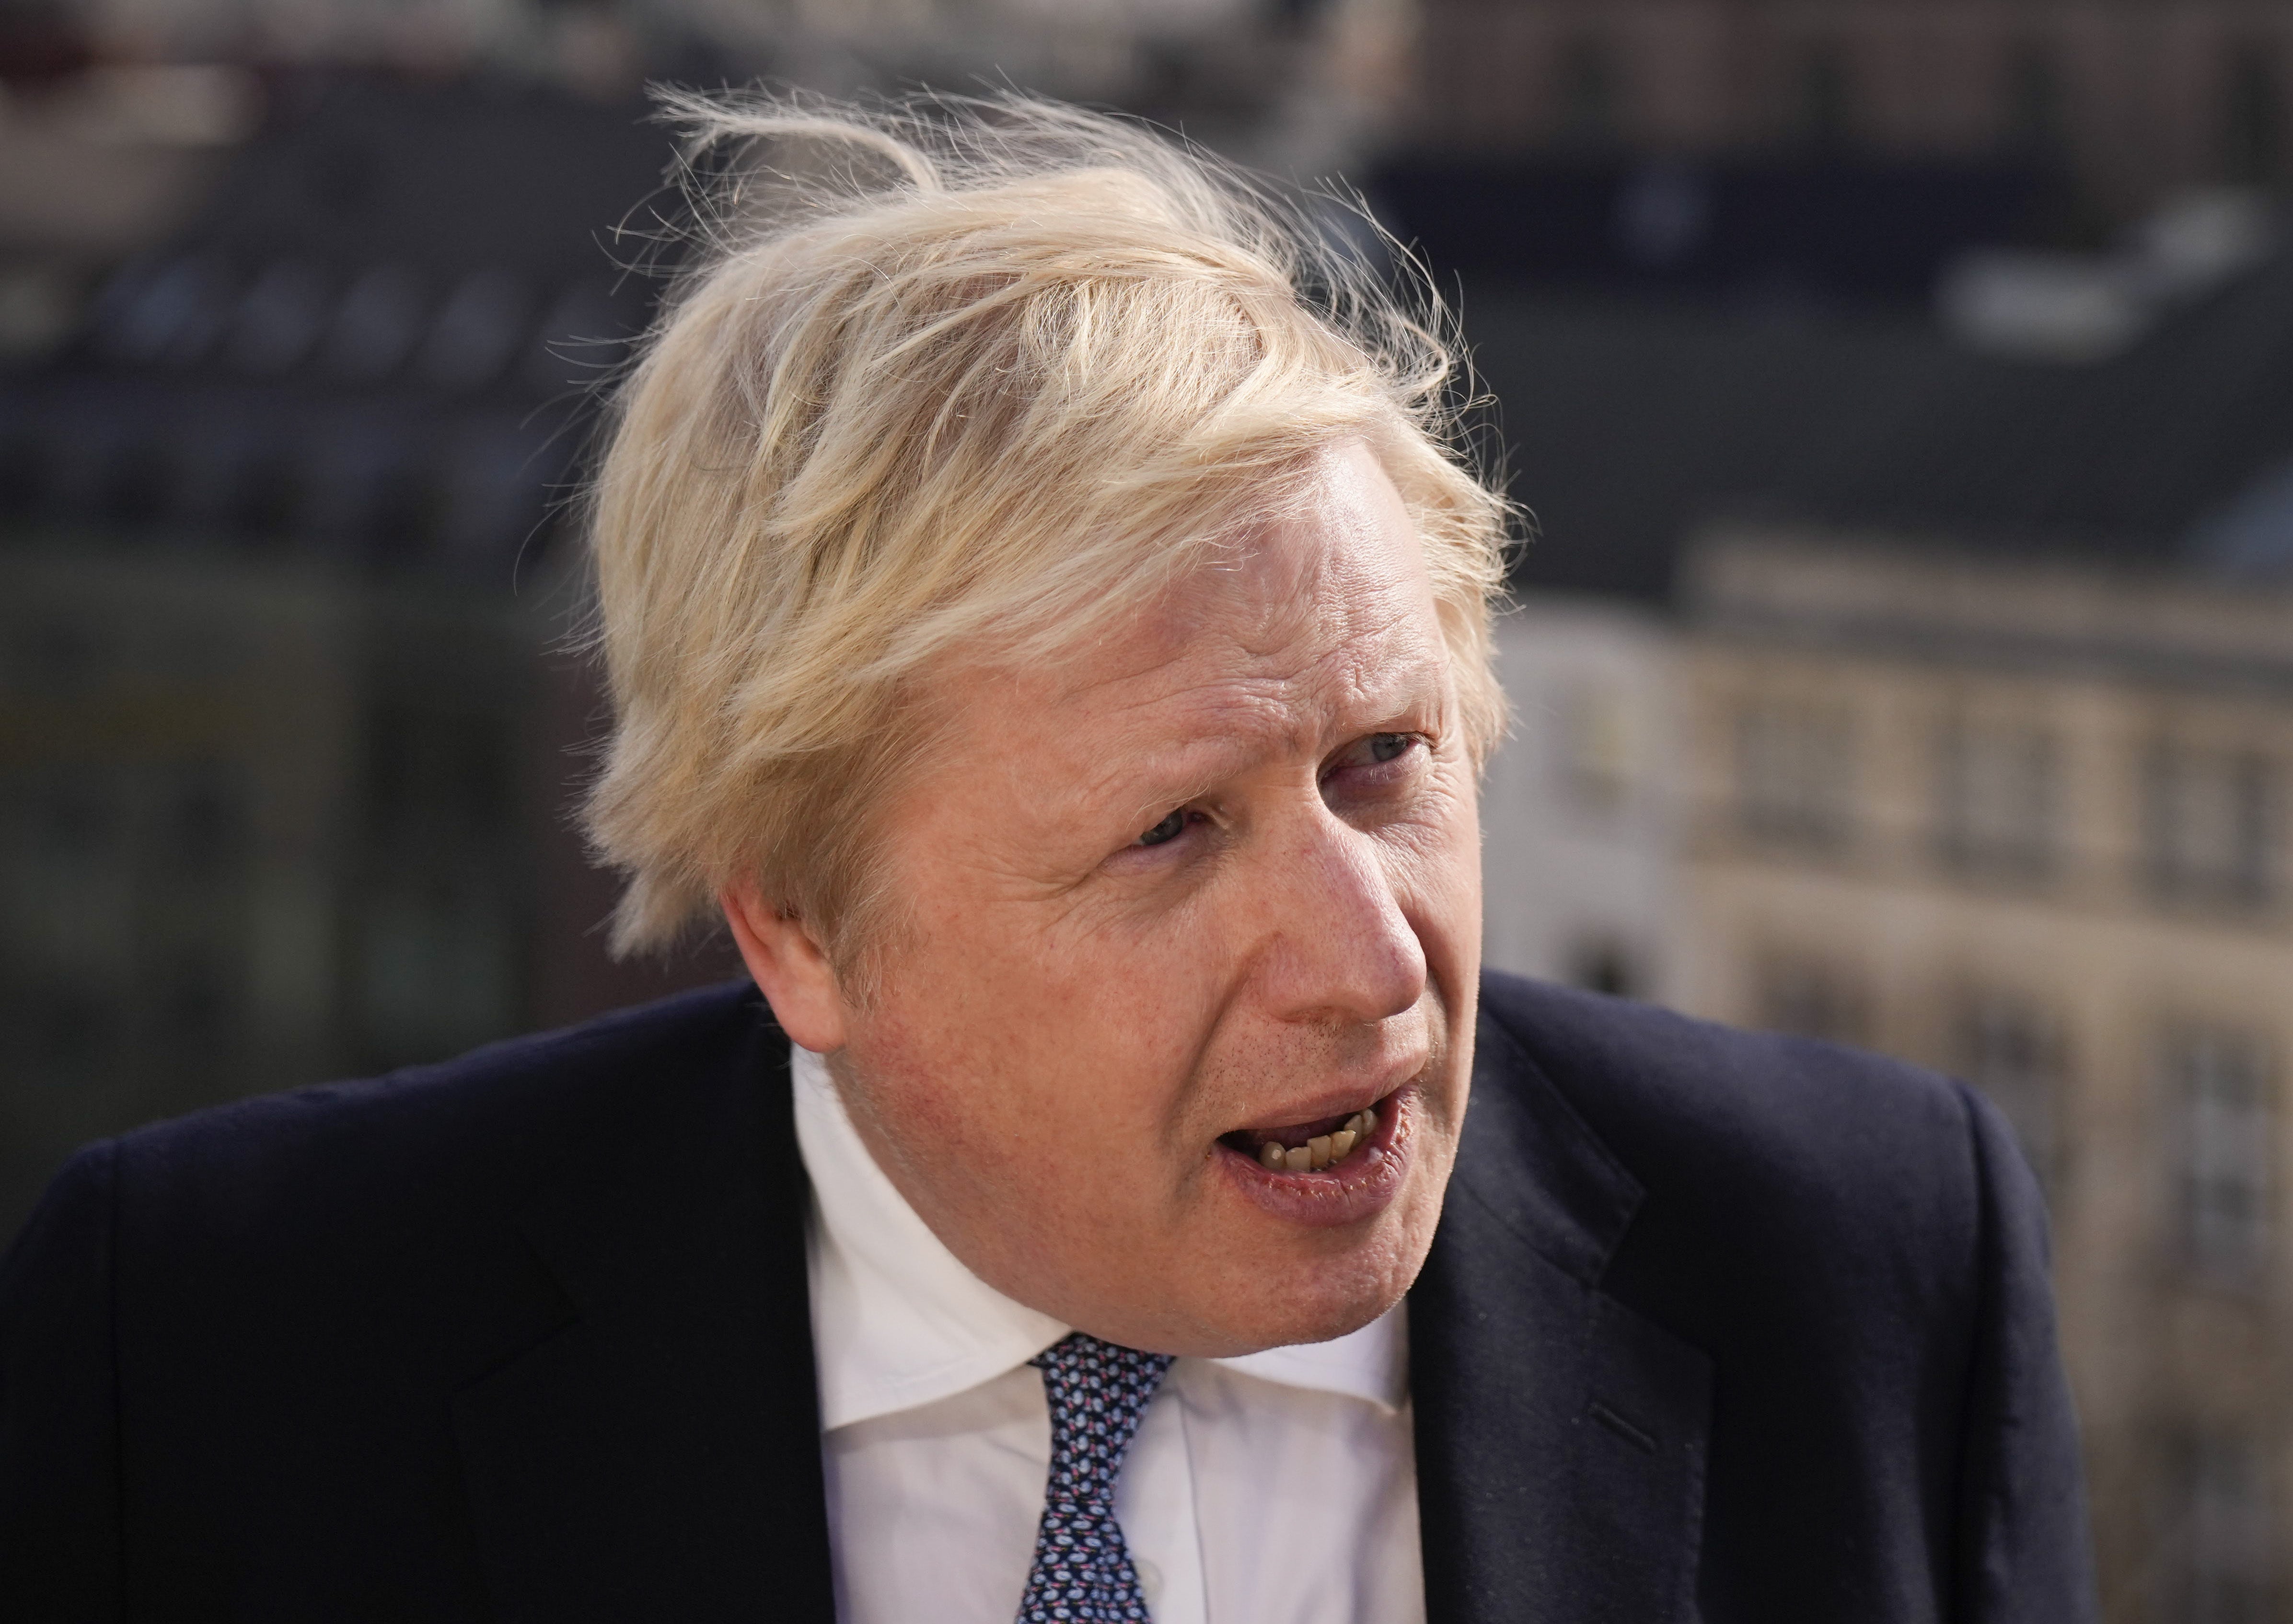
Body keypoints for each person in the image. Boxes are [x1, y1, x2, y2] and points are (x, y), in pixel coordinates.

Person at [0, 92, 2094, 1623]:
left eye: (1383, 759)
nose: (1365, 954)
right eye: (1170, 831)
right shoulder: (218, 1351)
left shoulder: (1867, 1265)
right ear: (799, 925)